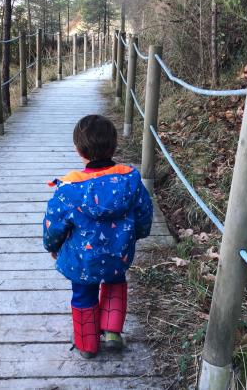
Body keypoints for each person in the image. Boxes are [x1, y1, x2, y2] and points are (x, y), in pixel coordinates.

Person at [42, 114, 153, 359]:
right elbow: (144, 211)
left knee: (83, 294)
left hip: (83, 258)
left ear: (78, 150)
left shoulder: (69, 189)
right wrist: (137, 235)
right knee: (115, 284)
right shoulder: (130, 180)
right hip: (118, 252)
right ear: (114, 147)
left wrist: (52, 245)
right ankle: (112, 332)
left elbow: (54, 223)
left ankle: (87, 344)